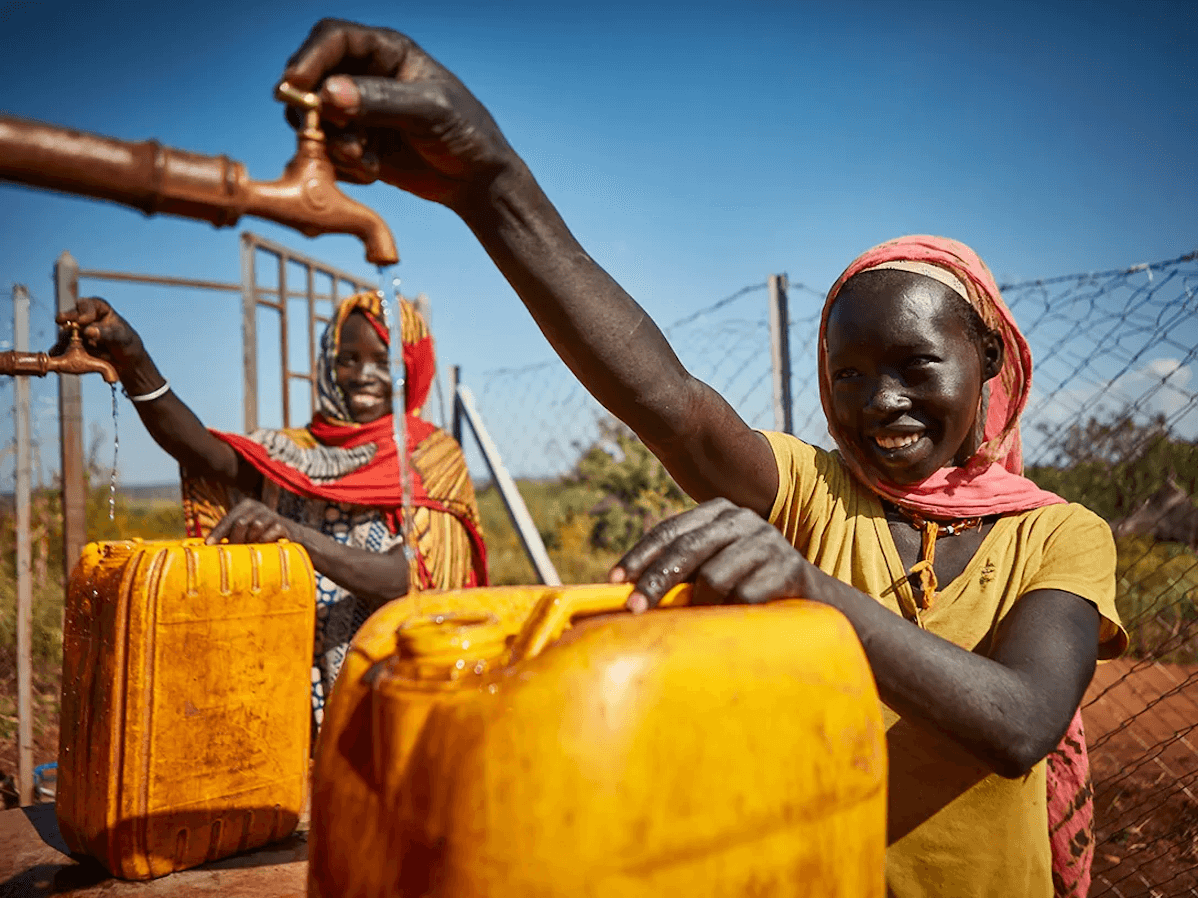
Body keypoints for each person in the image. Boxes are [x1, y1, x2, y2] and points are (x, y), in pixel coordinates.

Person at [278, 20, 1126, 896]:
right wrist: (491, 188)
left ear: (987, 359)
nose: (880, 402)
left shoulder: (1059, 535)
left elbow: (1021, 723)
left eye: (916, 367)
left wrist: (810, 591)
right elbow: (672, 405)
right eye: (849, 375)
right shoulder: (813, 492)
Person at [60, 290, 488, 731]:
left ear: (412, 369)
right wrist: (135, 364)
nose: (364, 375)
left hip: (389, 698)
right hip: (289, 699)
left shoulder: (430, 459)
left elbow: (411, 577)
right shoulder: (293, 453)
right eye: (349, 359)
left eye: (385, 362)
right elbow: (205, 454)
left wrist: (296, 537)